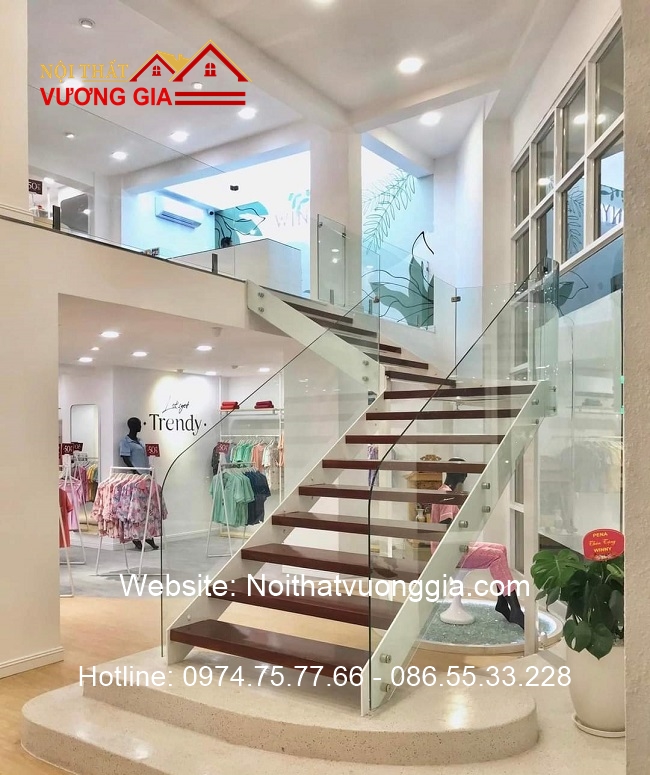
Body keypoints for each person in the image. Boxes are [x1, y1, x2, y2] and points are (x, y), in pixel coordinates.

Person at [430, 458, 524, 628]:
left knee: (501, 549)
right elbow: (447, 527)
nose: (465, 478)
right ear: (461, 476)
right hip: (451, 552)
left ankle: (502, 602)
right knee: (497, 556)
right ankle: (516, 610)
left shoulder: (442, 491)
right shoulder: (448, 496)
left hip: (450, 548)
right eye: (465, 474)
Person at [119, 417, 158, 551]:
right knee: (136, 510)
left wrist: (149, 470)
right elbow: (125, 458)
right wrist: (135, 471)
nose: (140, 426)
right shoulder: (125, 442)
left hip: (146, 477)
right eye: (139, 424)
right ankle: (136, 537)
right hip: (136, 478)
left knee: (148, 508)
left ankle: (148, 535)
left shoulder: (141, 441)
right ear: (132, 426)